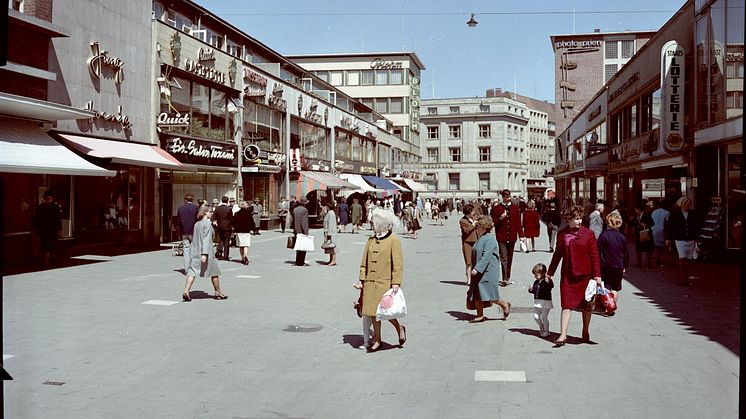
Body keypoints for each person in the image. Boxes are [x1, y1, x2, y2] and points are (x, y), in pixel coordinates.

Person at [547, 205, 602, 346]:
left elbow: (595, 256)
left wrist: (597, 276)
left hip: (585, 275)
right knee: (566, 305)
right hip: (568, 275)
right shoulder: (561, 234)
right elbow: (557, 255)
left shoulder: (588, 234)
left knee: (586, 305)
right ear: (568, 219)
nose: (579, 222)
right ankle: (563, 335)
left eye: (580, 219)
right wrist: (550, 273)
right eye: (576, 219)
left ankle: (585, 331)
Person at [355, 209, 407, 352]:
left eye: (374, 222)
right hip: (370, 283)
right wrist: (361, 279)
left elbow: (398, 263)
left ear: (382, 224)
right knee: (373, 313)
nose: (372, 224)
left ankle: (399, 327)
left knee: (386, 312)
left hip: (385, 283)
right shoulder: (370, 240)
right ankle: (377, 340)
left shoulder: (394, 240)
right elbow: (364, 262)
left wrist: (396, 282)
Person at [467, 215, 512, 323]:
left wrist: (477, 269)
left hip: (488, 271)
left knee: (490, 294)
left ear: (483, 226)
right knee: (477, 293)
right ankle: (480, 315)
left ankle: (505, 305)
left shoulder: (490, 239)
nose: (476, 227)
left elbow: (486, 256)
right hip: (480, 271)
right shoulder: (481, 237)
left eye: (477, 225)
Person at [182, 205, 228, 301]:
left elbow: (195, 238)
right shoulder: (207, 224)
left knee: (192, 271)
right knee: (214, 272)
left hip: (195, 251)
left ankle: (186, 291)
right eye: (211, 211)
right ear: (206, 212)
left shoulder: (197, 224)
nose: (212, 213)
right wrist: (205, 253)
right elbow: (206, 239)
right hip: (207, 252)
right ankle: (217, 292)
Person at [491, 189, 525, 286]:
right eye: (506, 196)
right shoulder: (497, 208)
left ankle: (508, 276)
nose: (508, 198)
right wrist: (500, 219)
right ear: (502, 197)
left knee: (510, 258)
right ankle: (504, 278)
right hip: (501, 237)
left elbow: (518, 223)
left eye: (509, 196)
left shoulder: (515, 208)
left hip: (512, 237)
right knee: (503, 258)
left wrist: (521, 235)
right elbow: (493, 223)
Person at [665, 197, 701, 286]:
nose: (688, 206)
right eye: (686, 204)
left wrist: (697, 238)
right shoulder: (675, 214)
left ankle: (686, 278)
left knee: (688, 259)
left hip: (691, 239)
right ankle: (681, 278)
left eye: (689, 204)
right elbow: (670, 226)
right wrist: (668, 238)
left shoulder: (693, 213)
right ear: (682, 204)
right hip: (680, 239)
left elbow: (696, 226)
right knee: (682, 258)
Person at [596, 211, 629, 303]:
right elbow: (626, 254)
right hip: (618, 266)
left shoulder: (604, 235)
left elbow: (597, 250)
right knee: (615, 288)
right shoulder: (622, 237)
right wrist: (625, 266)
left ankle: (607, 305)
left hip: (605, 265)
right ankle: (612, 306)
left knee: (606, 286)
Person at [33, 190, 63, 266]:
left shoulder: (56, 207)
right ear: (44, 198)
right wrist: (36, 228)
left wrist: (59, 230)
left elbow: (58, 219)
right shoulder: (40, 207)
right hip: (43, 230)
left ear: (52, 198)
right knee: (45, 244)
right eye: (46, 198)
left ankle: (48, 259)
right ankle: (50, 258)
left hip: (53, 230)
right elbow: (36, 218)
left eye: (49, 198)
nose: (48, 199)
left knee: (51, 244)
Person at [528, 263, 553, 337]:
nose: (535, 276)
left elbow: (551, 285)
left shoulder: (546, 281)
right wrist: (530, 290)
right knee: (536, 316)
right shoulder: (536, 282)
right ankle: (541, 326)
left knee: (544, 317)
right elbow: (535, 291)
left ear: (543, 273)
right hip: (538, 302)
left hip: (546, 302)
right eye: (534, 275)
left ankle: (546, 331)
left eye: (537, 275)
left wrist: (548, 280)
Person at [176, 193, 199, 273]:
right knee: (194, 250)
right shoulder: (196, 208)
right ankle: (194, 268)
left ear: (185, 200)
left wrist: (179, 233)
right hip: (194, 232)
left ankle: (187, 269)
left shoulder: (180, 209)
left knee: (186, 250)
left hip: (184, 232)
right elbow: (198, 220)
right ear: (192, 200)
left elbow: (178, 222)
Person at [459, 204, 479, 285]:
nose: (474, 212)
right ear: (468, 212)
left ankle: (476, 279)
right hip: (467, 242)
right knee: (468, 262)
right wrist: (473, 225)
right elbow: (466, 231)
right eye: (472, 211)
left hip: (476, 241)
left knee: (476, 261)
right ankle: (469, 280)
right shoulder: (462, 221)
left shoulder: (475, 218)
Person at [631, 204, 654, 269]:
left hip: (646, 234)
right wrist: (631, 220)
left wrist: (644, 225)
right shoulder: (635, 216)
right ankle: (639, 263)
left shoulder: (647, 215)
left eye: (635, 209)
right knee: (638, 249)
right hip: (638, 234)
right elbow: (631, 224)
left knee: (648, 249)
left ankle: (649, 263)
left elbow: (652, 223)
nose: (635, 210)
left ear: (639, 209)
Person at [233, 200, 255, 265]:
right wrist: (253, 230)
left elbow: (234, 223)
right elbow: (252, 222)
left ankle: (242, 258)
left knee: (241, 245)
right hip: (246, 231)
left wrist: (234, 230)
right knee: (246, 245)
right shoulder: (248, 214)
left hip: (239, 231)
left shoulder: (236, 214)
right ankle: (245, 256)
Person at [212, 196, 233, 261]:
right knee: (226, 241)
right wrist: (232, 225)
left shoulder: (217, 209)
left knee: (221, 239)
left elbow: (213, 217)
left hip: (220, 227)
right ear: (227, 201)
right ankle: (226, 256)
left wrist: (215, 222)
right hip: (227, 227)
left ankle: (219, 251)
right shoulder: (229, 209)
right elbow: (231, 218)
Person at [650, 199, 670, 267]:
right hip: (662, 230)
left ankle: (654, 258)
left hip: (654, 229)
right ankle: (658, 258)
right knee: (661, 247)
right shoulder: (667, 212)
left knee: (654, 245)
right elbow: (667, 223)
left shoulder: (654, 212)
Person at [293, 198, 310, 266]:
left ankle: (297, 261)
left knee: (298, 246)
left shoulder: (295, 209)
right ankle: (301, 262)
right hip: (302, 231)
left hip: (296, 230)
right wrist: (306, 232)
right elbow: (304, 222)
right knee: (303, 247)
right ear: (305, 203)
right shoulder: (304, 210)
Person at [323, 202, 337, 266]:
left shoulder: (331, 213)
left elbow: (331, 224)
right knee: (329, 247)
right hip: (328, 232)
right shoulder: (329, 213)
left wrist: (329, 233)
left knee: (332, 246)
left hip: (330, 233)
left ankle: (333, 260)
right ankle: (331, 259)